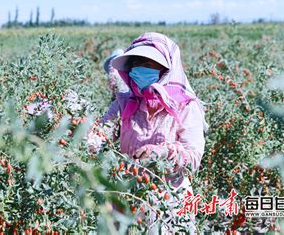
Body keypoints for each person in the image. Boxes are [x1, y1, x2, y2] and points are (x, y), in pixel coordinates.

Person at [88, 32, 208, 233]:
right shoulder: (124, 102)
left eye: (149, 63)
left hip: (169, 202)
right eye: (137, 63)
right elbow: (100, 135)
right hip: (127, 198)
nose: (140, 69)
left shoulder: (185, 106)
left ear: (166, 68)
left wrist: (162, 152)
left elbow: (193, 156)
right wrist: (77, 133)